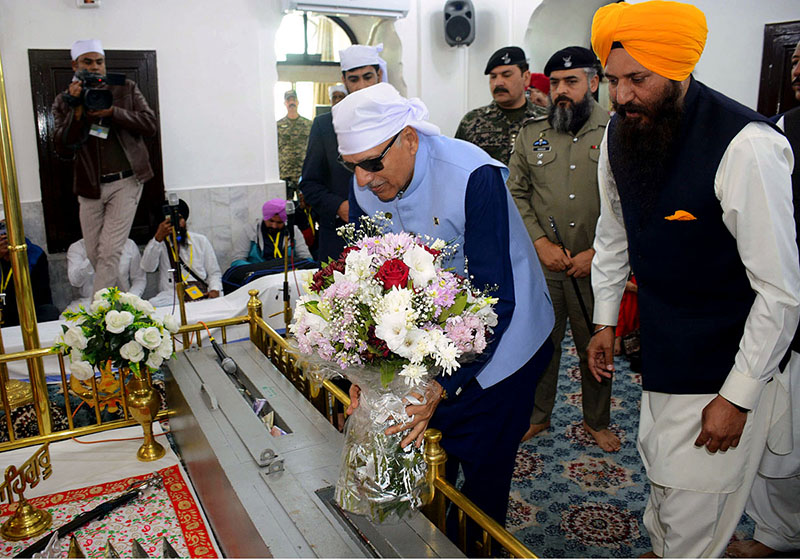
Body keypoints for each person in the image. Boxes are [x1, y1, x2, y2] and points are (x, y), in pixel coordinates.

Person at [586, 2, 800, 557]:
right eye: (612, 80)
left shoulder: (748, 146)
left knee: (689, 513)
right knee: (663, 480)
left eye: (638, 79)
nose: (622, 95)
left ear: (681, 70)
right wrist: (604, 319)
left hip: (723, 362)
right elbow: (614, 233)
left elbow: (779, 291)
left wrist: (739, 395)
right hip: (660, 352)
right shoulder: (620, 131)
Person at [333, 82, 555, 533]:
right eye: (351, 166)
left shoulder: (472, 174)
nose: (362, 180)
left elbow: (496, 298)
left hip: (504, 347)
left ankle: (476, 542)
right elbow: (366, 285)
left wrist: (445, 385)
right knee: (428, 461)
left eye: (372, 163)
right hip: (426, 341)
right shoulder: (366, 186)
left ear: (409, 139)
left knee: (482, 475)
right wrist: (361, 373)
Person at [507, 46, 614, 449]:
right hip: (546, 265)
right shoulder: (532, 133)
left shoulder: (616, 131)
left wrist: (599, 255)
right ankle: (538, 416)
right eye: (554, 83)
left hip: (596, 265)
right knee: (542, 346)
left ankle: (597, 420)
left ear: (593, 82)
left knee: (596, 346)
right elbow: (516, 192)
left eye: (571, 81)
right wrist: (538, 242)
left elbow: (630, 205)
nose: (561, 91)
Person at [726, 38, 800, 559]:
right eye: (795, 58)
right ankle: (778, 536)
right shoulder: (774, 132)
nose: (797, 67)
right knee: (779, 447)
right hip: (783, 305)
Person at [52, 39, 157, 295]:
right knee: (94, 253)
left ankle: (99, 314)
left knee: (110, 251)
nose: (95, 67)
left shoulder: (126, 88)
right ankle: (122, 306)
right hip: (89, 186)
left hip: (127, 181)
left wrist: (114, 113)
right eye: (88, 62)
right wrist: (76, 109)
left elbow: (149, 124)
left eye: (100, 61)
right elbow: (63, 147)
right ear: (75, 64)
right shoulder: (65, 100)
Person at [299, 44, 387, 263]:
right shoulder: (325, 126)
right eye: (354, 79)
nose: (361, 86)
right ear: (344, 80)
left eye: (367, 77)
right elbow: (309, 184)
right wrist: (339, 207)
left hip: (389, 237)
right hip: (340, 238)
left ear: (379, 75)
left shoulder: (393, 119)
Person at [455, 46, 547, 165]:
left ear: (526, 77)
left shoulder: (545, 120)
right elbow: (458, 167)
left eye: (506, 75)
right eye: (493, 77)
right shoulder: (472, 122)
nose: (498, 83)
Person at [141, 199, 222, 307]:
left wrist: (215, 289)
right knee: (152, 305)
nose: (176, 225)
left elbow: (214, 273)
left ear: (184, 220)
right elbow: (148, 267)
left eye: (179, 219)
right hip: (171, 297)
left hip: (200, 294)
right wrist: (157, 239)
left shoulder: (200, 241)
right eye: (171, 221)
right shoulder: (159, 244)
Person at [0, 222, 58, 327]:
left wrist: (15, 258)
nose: (4, 236)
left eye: (6, 229)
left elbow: (40, 296)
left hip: (25, 312)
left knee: (49, 311)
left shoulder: (34, 254)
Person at [65, 237, 145, 311]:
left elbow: (139, 279)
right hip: (89, 303)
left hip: (122, 300)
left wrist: (129, 299)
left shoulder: (129, 245)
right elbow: (75, 281)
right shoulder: (77, 248)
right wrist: (94, 257)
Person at [230, 198, 312, 267]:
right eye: (271, 221)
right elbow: (237, 260)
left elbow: (306, 258)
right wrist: (256, 270)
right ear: (265, 217)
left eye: (279, 223)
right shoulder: (250, 231)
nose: (274, 226)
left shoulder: (293, 231)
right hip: (258, 276)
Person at [277, 89, 312, 193]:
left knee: (306, 205)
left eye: (293, 100)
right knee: (285, 205)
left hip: (303, 172)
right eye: (289, 100)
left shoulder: (308, 124)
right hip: (285, 173)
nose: (291, 103)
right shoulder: (278, 125)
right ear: (285, 103)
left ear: (297, 102)